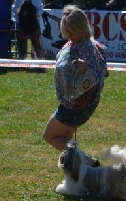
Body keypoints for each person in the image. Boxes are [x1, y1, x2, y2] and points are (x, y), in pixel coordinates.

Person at [42, 5, 107, 165]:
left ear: (81, 27)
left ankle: (89, 163)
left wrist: (84, 69)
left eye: (71, 31)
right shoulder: (80, 43)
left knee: (50, 136)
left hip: (75, 105)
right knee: (66, 141)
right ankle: (75, 174)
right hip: (75, 104)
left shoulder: (89, 47)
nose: (68, 35)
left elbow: (96, 75)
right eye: (66, 31)